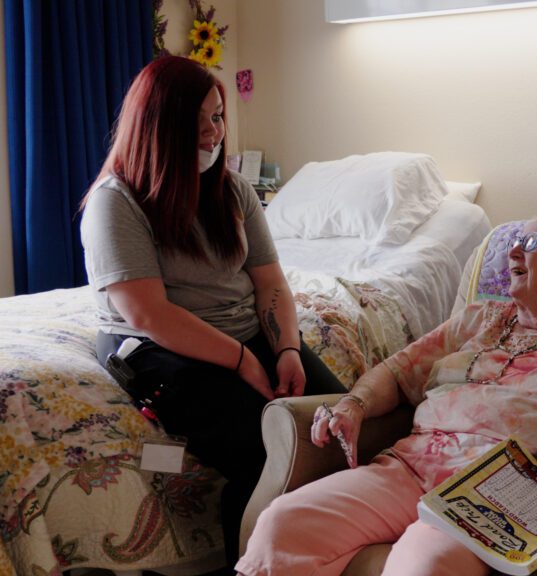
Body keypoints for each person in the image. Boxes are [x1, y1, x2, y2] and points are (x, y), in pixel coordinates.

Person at [236, 208, 537, 576]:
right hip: (408, 469)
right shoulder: (477, 319)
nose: (513, 248)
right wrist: (354, 403)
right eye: (515, 239)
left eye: (532, 242)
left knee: (423, 566)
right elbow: (395, 373)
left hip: (499, 495)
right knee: (281, 524)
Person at [79, 56, 346, 565]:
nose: (212, 134)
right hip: (161, 349)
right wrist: (245, 361)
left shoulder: (232, 190)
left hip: (247, 333)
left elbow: (270, 283)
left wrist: (286, 348)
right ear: (158, 126)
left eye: (218, 118)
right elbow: (149, 315)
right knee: (271, 453)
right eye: (197, 122)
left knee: (345, 424)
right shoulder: (117, 202)